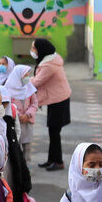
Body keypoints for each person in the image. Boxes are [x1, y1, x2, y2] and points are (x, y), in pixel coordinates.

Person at [30, 39, 72, 171]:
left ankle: (58, 161)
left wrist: (25, 79)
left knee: (54, 132)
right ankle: (51, 159)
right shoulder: (49, 60)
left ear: (41, 50)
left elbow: (36, 82)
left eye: (34, 48)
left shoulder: (49, 65)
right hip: (56, 99)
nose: (32, 51)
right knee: (52, 131)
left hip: (59, 100)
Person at [3, 64, 39, 163]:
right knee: (16, 145)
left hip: (27, 121)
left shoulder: (29, 88)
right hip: (15, 122)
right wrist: (19, 116)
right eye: (25, 76)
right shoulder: (9, 89)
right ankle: (18, 165)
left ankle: (26, 165)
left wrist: (28, 114)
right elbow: (8, 105)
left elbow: (34, 103)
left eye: (28, 75)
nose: (27, 78)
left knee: (27, 145)